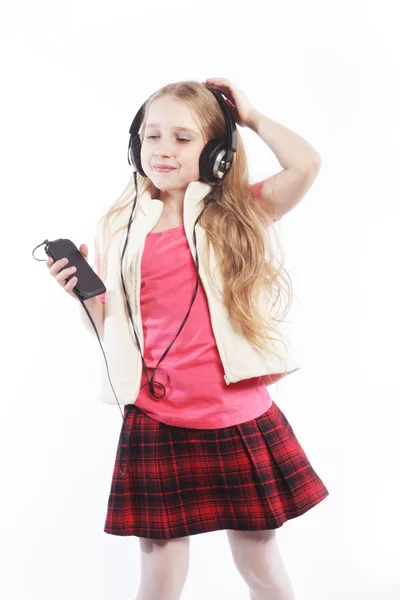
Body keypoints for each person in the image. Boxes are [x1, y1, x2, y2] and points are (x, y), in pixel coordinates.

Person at [46, 78, 328, 600]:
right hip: (157, 416)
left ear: (217, 153)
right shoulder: (120, 226)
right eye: (152, 136)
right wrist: (84, 297)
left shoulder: (239, 212)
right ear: (136, 145)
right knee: (157, 573)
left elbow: (306, 165)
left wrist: (253, 117)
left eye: (183, 137)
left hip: (234, 414)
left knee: (260, 558)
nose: (163, 150)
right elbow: (115, 331)